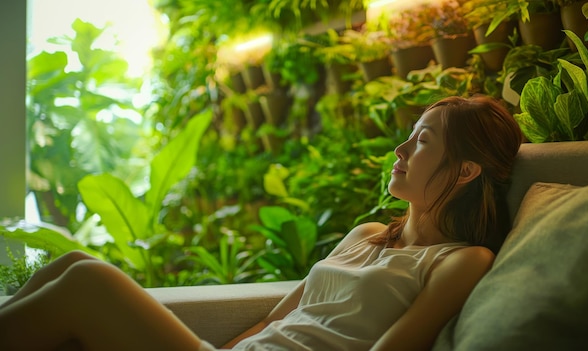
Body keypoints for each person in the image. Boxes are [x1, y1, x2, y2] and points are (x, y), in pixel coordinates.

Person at [0, 95, 523, 351]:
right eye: (410, 134)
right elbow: (273, 322)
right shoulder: (366, 236)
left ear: (467, 170)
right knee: (73, 262)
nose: (401, 148)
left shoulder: (460, 260)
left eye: (424, 140)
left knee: (90, 282)